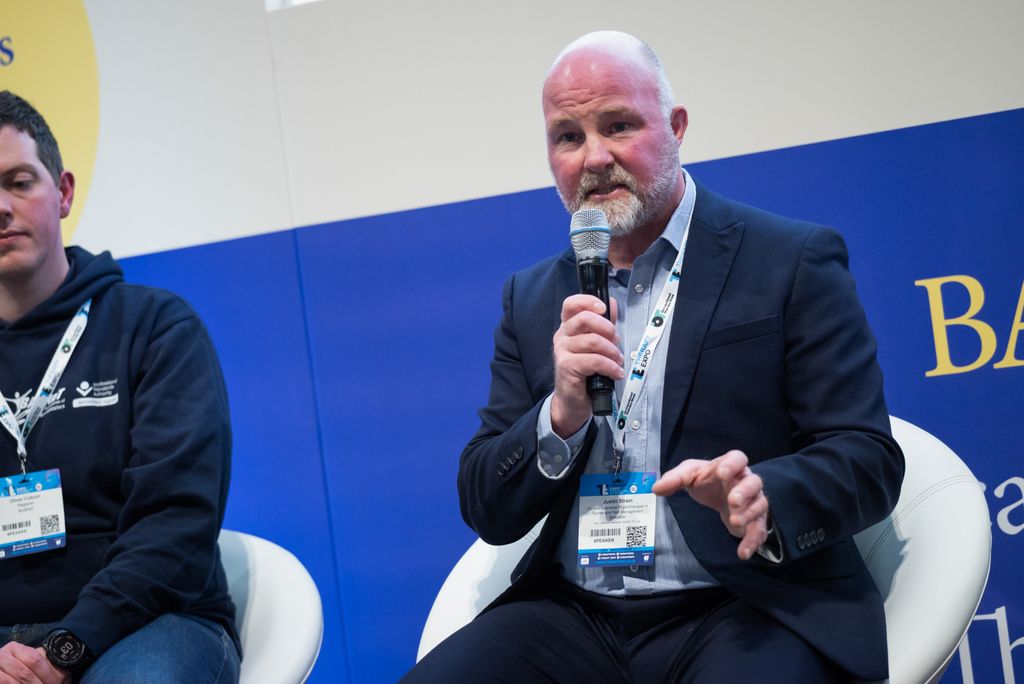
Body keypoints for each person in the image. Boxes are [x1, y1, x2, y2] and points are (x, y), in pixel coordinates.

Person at [406, 31, 904, 682]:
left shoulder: (790, 261)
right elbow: (486, 504)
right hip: (574, 615)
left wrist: (762, 496)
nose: (595, 157)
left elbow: (866, 456)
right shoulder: (532, 298)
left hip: (744, 602)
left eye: (618, 125)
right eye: (568, 137)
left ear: (676, 127)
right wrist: (559, 416)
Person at [0, 91, 240, 683]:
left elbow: (175, 523)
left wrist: (66, 648)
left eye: (19, 182)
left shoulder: (156, 327)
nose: (1, 208)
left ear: (63, 192)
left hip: (148, 623)